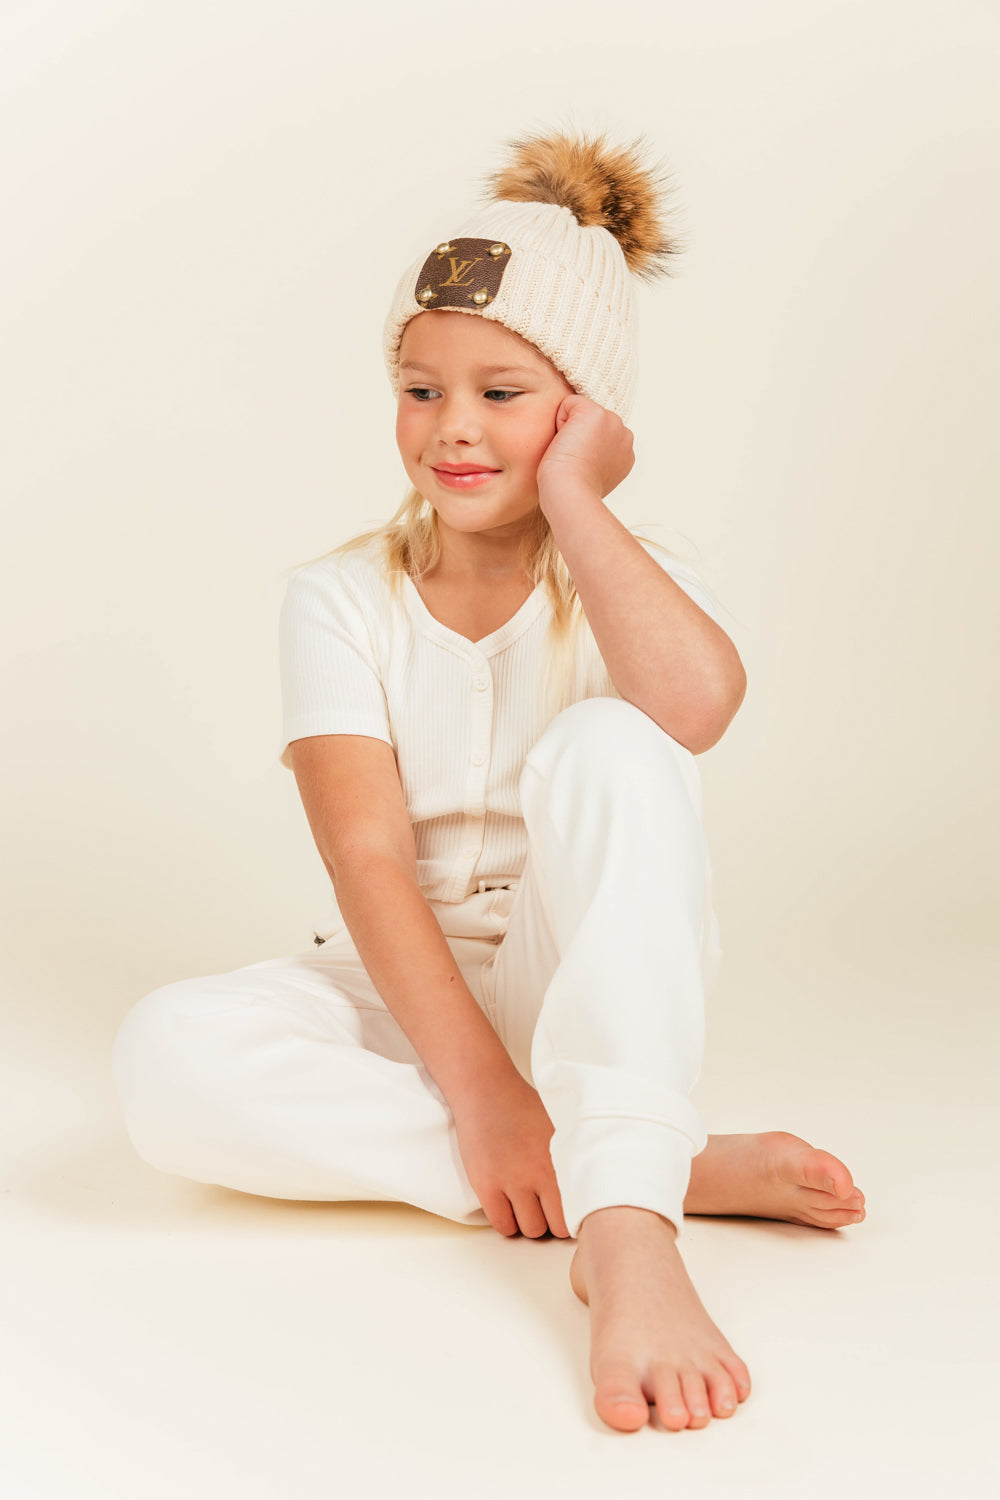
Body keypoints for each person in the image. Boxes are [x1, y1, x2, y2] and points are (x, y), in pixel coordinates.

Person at [111, 128, 866, 1434]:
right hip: (403, 988)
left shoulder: (630, 574)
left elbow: (695, 712)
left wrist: (580, 500)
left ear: (586, 415)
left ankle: (627, 1235)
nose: (452, 427)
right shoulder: (339, 597)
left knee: (615, 741)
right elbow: (364, 859)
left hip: (582, 981)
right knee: (164, 1059)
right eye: (421, 389)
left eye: (503, 393)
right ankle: (645, 1165)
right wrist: (481, 1092)